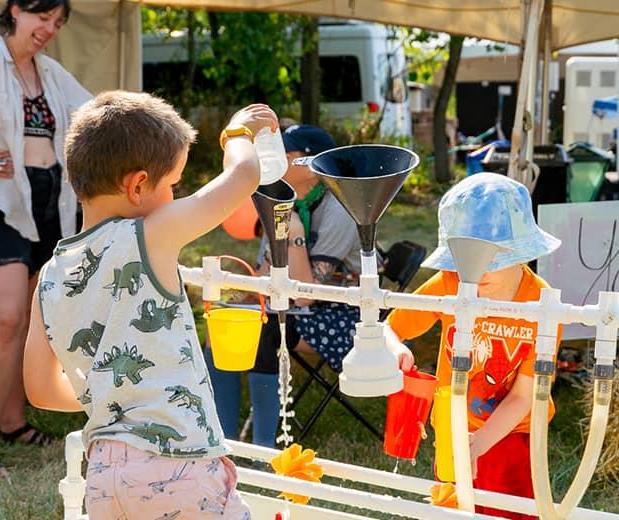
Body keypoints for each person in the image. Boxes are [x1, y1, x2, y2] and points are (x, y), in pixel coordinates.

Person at [23, 90, 276, 518]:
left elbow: (41, 391)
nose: (177, 196)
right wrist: (239, 132)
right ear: (137, 185)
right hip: (179, 460)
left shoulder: (48, 276)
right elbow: (244, 176)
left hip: (103, 475)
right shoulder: (149, 235)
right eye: (174, 184)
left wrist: (112, 395)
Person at [208, 124, 411, 447]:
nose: (273, 159)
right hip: (290, 304)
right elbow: (265, 277)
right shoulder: (277, 200)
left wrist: (296, 232)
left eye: (284, 153)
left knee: (266, 333)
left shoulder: (341, 209)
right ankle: (222, 439)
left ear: (309, 163)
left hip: (340, 313)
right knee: (226, 330)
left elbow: (305, 296)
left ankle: (264, 447)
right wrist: (243, 300)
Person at [384, 173, 562, 520]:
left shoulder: (543, 305)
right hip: (452, 428)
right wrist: (396, 350)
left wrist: (478, 445)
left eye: (491, 258)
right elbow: (391, 326)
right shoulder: (452, 281)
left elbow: (523, 396)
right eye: (466, 258)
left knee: (508, 512)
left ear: (522, 252)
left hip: (511, 435)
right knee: (455, 509)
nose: (476, 272)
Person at [0, 0, 91, 477]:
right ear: (16, 10)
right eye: (43, 17)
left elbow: (96, 110)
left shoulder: (50, 72)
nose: (49, 29)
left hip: (51, 202)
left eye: (57, 23)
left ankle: (16, 422)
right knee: (7, 318)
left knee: (34, 318)